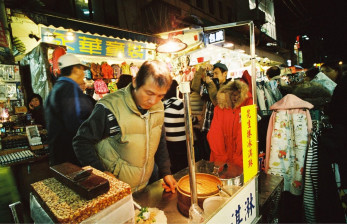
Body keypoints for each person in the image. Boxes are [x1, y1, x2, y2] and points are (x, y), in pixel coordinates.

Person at [73, 60, 177, 193]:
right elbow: (81, 142)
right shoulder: (109, 107)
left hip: (144, 186)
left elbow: (159, 142)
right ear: (135, 82)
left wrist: (166, 172)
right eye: (149, 93)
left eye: (160, 95)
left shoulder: (159, 107)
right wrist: (101, 173)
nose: (153, 101)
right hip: (115, 189)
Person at [45, 54, 95, 166]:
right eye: (82, 69)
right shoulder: (70, 90)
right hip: (71, 155)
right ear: (75, 69)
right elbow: (78, 125)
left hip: (59, 153)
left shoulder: (57, 87)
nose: (83, 73)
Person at [207, 80, 253, 174]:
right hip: (221, 160)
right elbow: (215, 134)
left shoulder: (247, 109)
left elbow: (246, 136)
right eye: (232, 94)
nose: (234, 97)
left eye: (237, 94)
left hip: (241, 159)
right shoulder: (219, 109)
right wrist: (221, 157)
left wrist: (238, 157)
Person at [191, 62, 231, 160]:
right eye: (213, 74)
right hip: (205, 127)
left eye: (217, 73)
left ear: (225, 73)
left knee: (216, 158)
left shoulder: (228, 87)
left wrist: (210, 84)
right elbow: (195, 87)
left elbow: (217, 102)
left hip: (218, 131)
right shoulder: (212, 84)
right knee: (206, 157)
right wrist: (201, 69)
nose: (214, 76)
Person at [162, 80, 188, 173]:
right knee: (183, 165)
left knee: (173, 163)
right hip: (181, 141)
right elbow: (189, 119)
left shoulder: (162, 104)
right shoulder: (180, 103)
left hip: (167, 141)